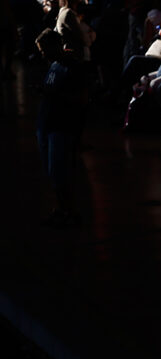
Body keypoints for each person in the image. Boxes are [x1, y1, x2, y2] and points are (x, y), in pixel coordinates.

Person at [35, 29, 86, 227]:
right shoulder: (55, 65)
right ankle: (62, 208)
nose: (42, 55)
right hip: (48, 124)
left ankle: (70, 210)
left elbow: (81, 99)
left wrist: (53, 96)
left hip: (62, 126)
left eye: (44, 50)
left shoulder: (72, 68)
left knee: (61, 172)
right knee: (54, 172)